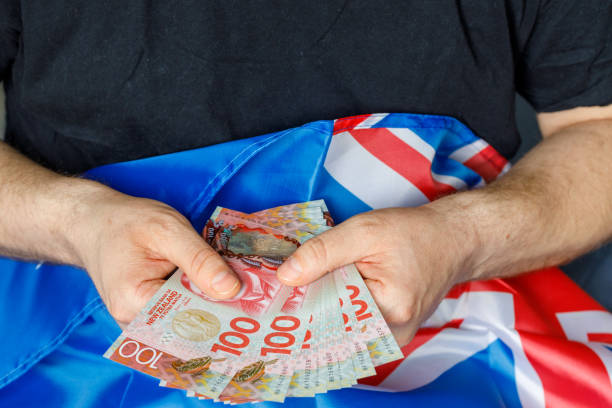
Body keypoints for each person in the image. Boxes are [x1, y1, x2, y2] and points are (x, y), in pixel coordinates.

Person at [0, 0, 611, 357]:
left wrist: (460, 239)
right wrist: (73, 222)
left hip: (447, 325)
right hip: (65, 320)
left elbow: (601, 127)